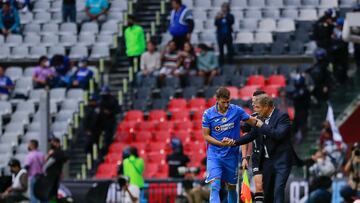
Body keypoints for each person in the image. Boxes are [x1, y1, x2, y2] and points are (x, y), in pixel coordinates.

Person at [223, 94, 297, 203]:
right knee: (267, 193)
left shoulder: (282, 117)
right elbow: (251, 135)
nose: (255, 110)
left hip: (281, 160)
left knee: (278, 189)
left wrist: (262, 125)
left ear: (266, 106)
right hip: (266, 161)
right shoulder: (258, 117)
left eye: (257, 107)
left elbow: (278, 135)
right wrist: (234, 142)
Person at [201, 87, 258, 203]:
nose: (226, 105)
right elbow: (206, 136)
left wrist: (263, 121)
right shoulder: (208, 114)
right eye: (223, 102)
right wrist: (220, 143)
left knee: (231, 187)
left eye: (228, 102)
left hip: (231, 155)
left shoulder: (236, 110)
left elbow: (252, 121)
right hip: (215, 155)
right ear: (216, 99)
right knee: (215, 185)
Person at [241, 90, 266, 203]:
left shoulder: (274, 117)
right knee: (258, 186)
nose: (253, 104)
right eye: (252, 101)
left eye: (255, 101)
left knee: (270, 188)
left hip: (273, 156)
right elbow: (245, 140)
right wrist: (245, 158)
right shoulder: (250, 119)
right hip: (257, 157)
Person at [43, 138, 68, 202]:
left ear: (57, 143)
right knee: (50, 191)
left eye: (53, 142)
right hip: (52, 174)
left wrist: (44, 169)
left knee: (52, 191)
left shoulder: (59, 152)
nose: (52, 144)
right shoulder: (52, 152)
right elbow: (45, 159)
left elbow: (50, 162)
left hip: (54, 175)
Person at [291, 74, 310, 143]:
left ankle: (304, 140)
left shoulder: (304, 90)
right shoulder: (297, 90)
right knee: (295, 126)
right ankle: (294, 140)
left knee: (302, 125)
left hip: (303, 111)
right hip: (298, 111)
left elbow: (296, 96)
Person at [330, 17, 349, 84]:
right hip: (337, 53)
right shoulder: (335, 31)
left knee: (344, 67)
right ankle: (338, 79)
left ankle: (344, 80)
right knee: (336, 67)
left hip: (343, 52)